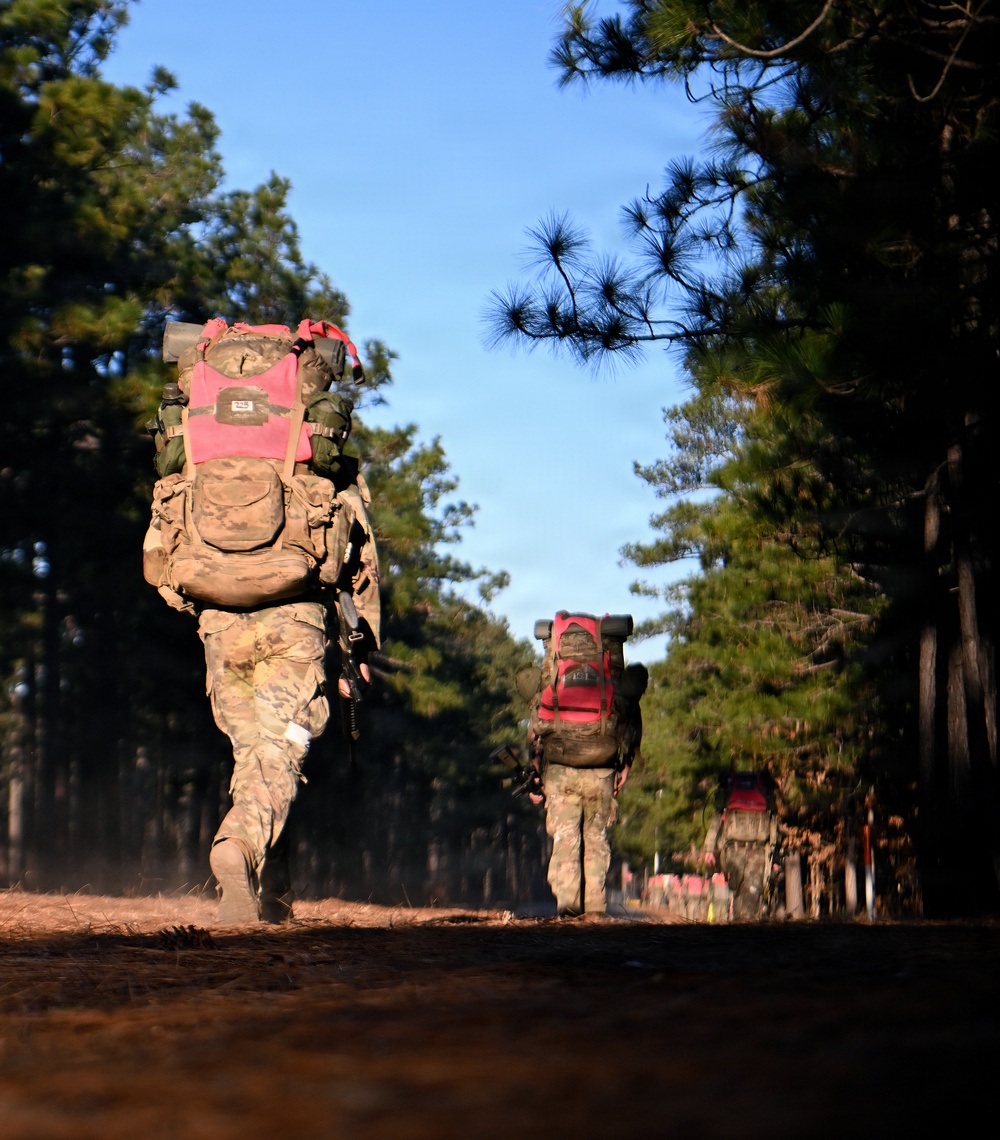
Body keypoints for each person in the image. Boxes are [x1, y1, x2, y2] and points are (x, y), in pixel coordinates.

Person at [144, 318, 380, 923]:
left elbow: (161, 539)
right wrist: (360, 648)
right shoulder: (317, 465)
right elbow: (358, 559)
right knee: (282, 751)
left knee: (256, 755)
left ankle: (268, 893)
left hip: (219, 613)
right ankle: (236, 850)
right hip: (291, 614)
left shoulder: (200, 435)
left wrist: (192, 599)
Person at [519, 619, 647, 917]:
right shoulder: (613, 693)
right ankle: (595, 911)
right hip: (602, 770)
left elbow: (537, 736)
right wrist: (623, 768)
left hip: (561, 772)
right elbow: (628, 731)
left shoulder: (550, 688)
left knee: (566, 839)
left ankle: (568, 909)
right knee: (595, 839)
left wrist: (535, 773)